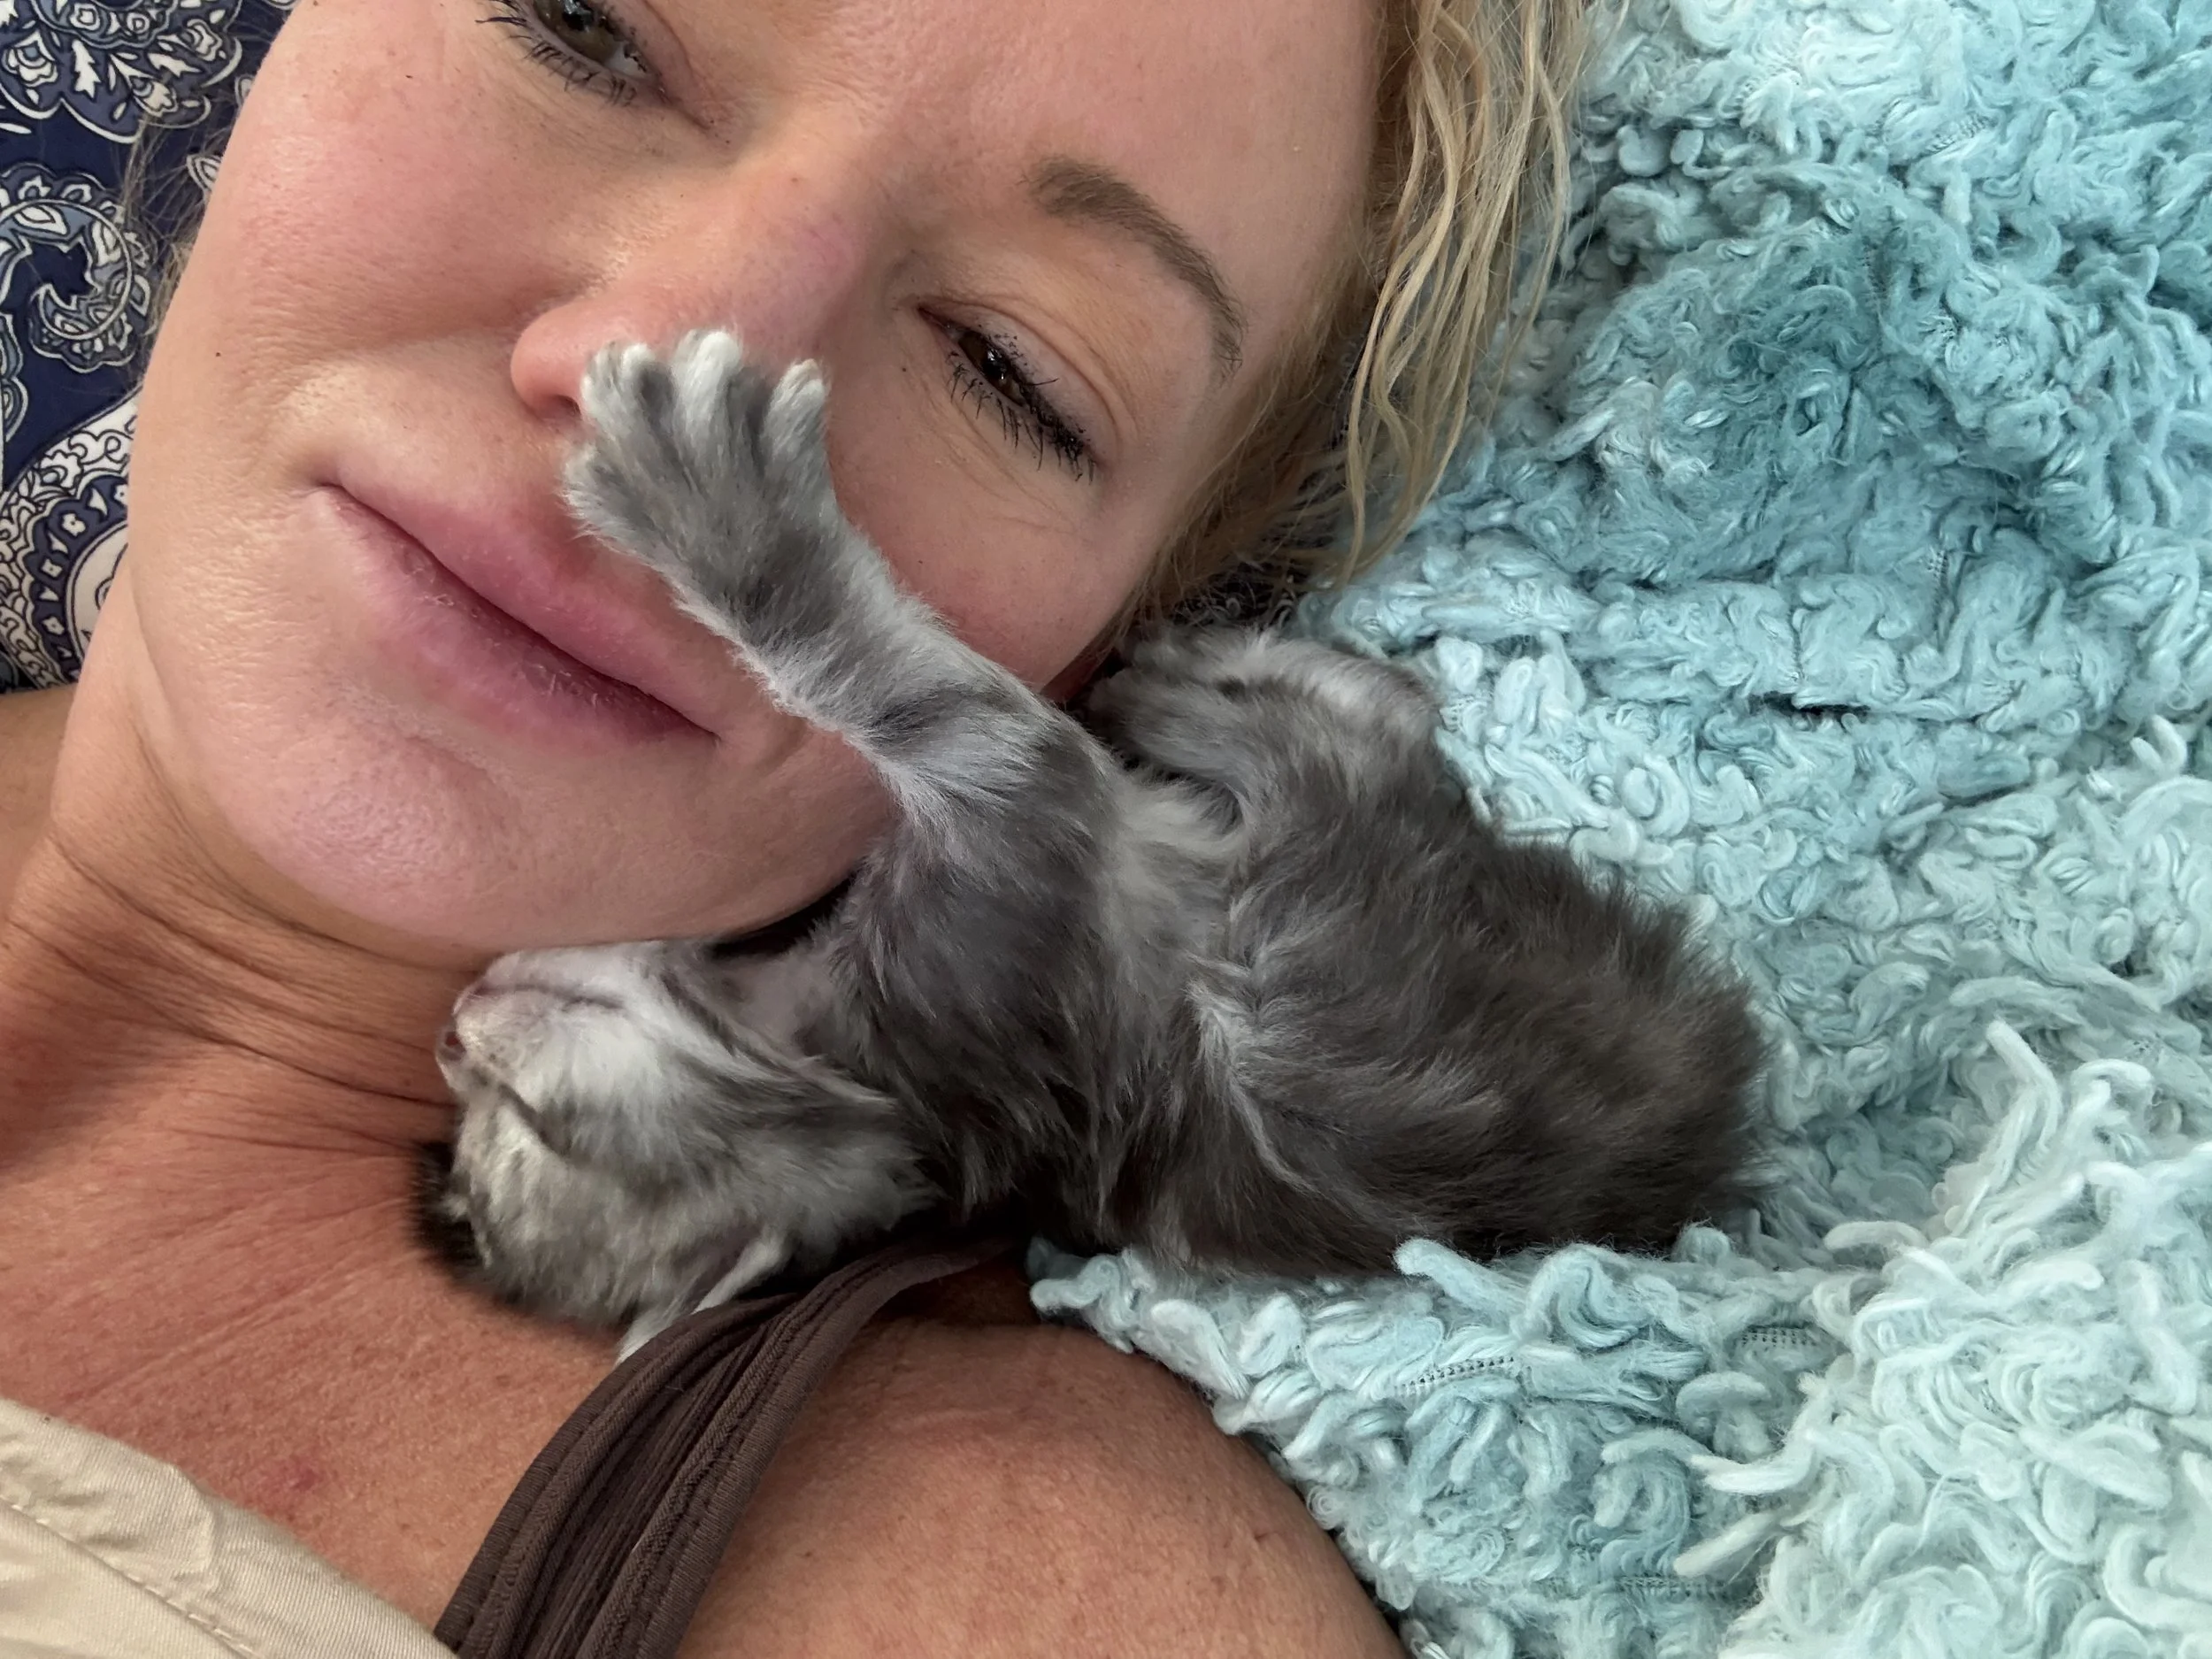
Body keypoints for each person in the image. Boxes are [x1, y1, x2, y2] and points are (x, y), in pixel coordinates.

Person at [0, 0, 1579, 1651]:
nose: (660, 373)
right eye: (581, 33)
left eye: (1011, 374)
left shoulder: (1024, 1588)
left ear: (1102, 658)